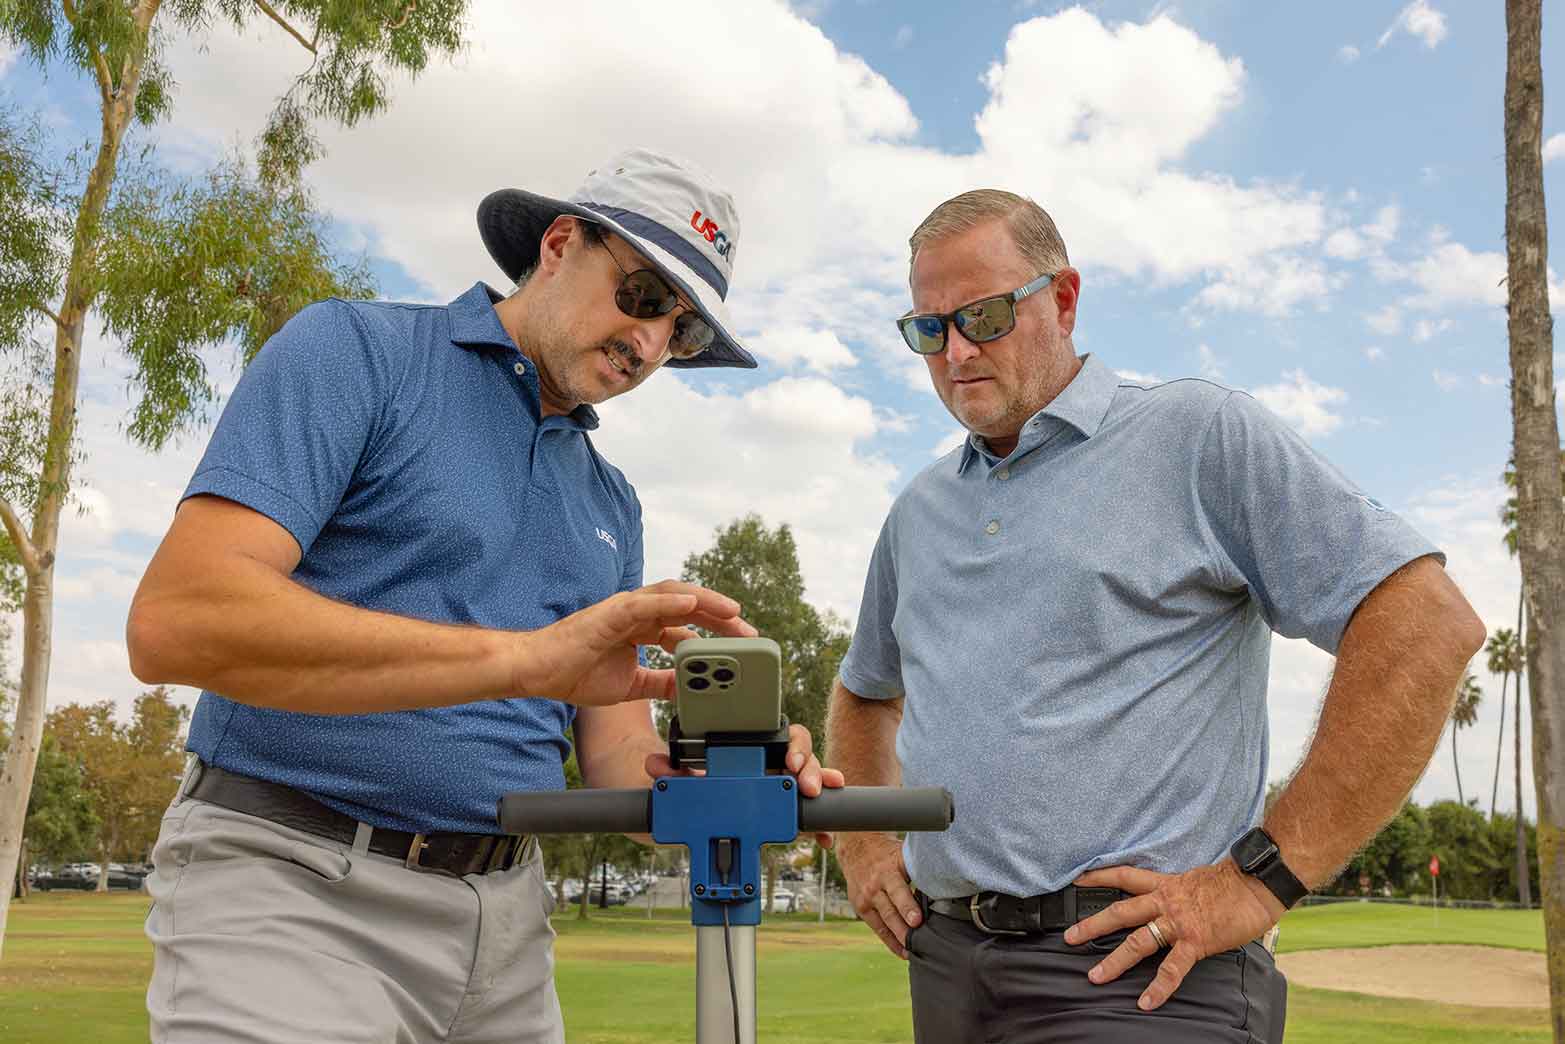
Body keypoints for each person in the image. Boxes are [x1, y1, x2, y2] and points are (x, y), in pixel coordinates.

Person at [126, 148, 842, 1044]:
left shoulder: (610, 502)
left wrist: (732, 783)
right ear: (556, 243)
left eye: (683, 330)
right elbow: (177, 623)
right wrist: (527, 660)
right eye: (646, 295)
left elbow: (620, 760)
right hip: (292, 884)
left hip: (506, 931)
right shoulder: (358, 351)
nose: (651, 343)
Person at [826, 189, 1486, 1043]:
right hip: (948, 964)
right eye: (928, 329)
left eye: (983, 317)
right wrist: (865, 846)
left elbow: (1426, 622)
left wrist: (1258, 880)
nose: (954, 351)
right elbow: (864, 692)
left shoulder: (1194, 433)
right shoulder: (918, 512)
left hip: (1137, 980)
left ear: (1061, 300)